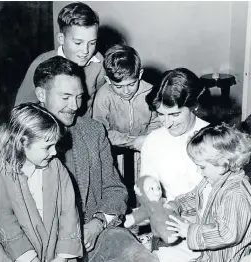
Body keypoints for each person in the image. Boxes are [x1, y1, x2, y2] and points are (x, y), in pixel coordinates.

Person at [31, 56, 159, 262]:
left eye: (79, 96)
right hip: (44, 243)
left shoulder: (92, 131)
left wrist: (97, 223)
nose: (74, 106)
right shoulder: (20, 136)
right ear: (41, 94)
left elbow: (115, 189)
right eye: (65, 97)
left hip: (97, 237)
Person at [0, 103, 82, 262]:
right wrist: (29, 259)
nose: (55, 152)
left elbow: (69, 212)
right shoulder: (2, 173)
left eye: (55, 145)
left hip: (56, 251)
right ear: (23, 142)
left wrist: (62, 257)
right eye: (48, 147)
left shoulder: (57, 168)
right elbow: (5, 219)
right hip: (15, 255)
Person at [139, 68, 209, 251]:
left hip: (210, 231)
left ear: (193, 105)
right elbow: (146, 190)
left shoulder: (214, 139)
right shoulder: (153, 141)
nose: (167, 123)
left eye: (175, 114)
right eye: (161, 114)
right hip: (169, 230)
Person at [161, 124, 251, 262]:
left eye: (201, 166)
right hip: (208, 255)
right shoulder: (210, 182)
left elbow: (227, 234)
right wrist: (175, 204)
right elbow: (193, 198)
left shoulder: (236, 194)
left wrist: (189, 231)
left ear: (223, 164)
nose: (198, 171)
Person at [14, 2, 105, 115]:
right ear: (61, 39)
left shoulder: (99, 63)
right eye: (78, 43)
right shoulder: (41, 63)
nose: (85, 51)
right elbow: (22, 108)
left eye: (92, 43)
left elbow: (101, 102)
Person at [93, 44, 161, 181]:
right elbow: (100, 131)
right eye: (118, 86)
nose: (126, 91)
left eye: (131, 84)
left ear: (140, 75)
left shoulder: (152, 92)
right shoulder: (103, 96)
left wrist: (148, 141)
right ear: (107, 80)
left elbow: (157, 123)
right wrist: (132, 141)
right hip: (113, 153)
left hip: (146, 150)